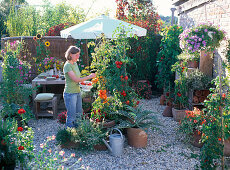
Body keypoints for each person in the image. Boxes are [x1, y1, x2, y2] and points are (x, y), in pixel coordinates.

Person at [63, 45, 95, 128]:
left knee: (79, 114)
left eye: (79, 54)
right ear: (70, 54)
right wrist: (89, 77)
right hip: (70, 93)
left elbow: (79, 79)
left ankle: (77, 133)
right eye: (76, 55)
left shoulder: (75, 63)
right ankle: (69, 135)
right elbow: (76, 79)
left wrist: (85, 83)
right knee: (71, 116)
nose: (78, 56)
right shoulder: (67, 65)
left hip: (77, 92)